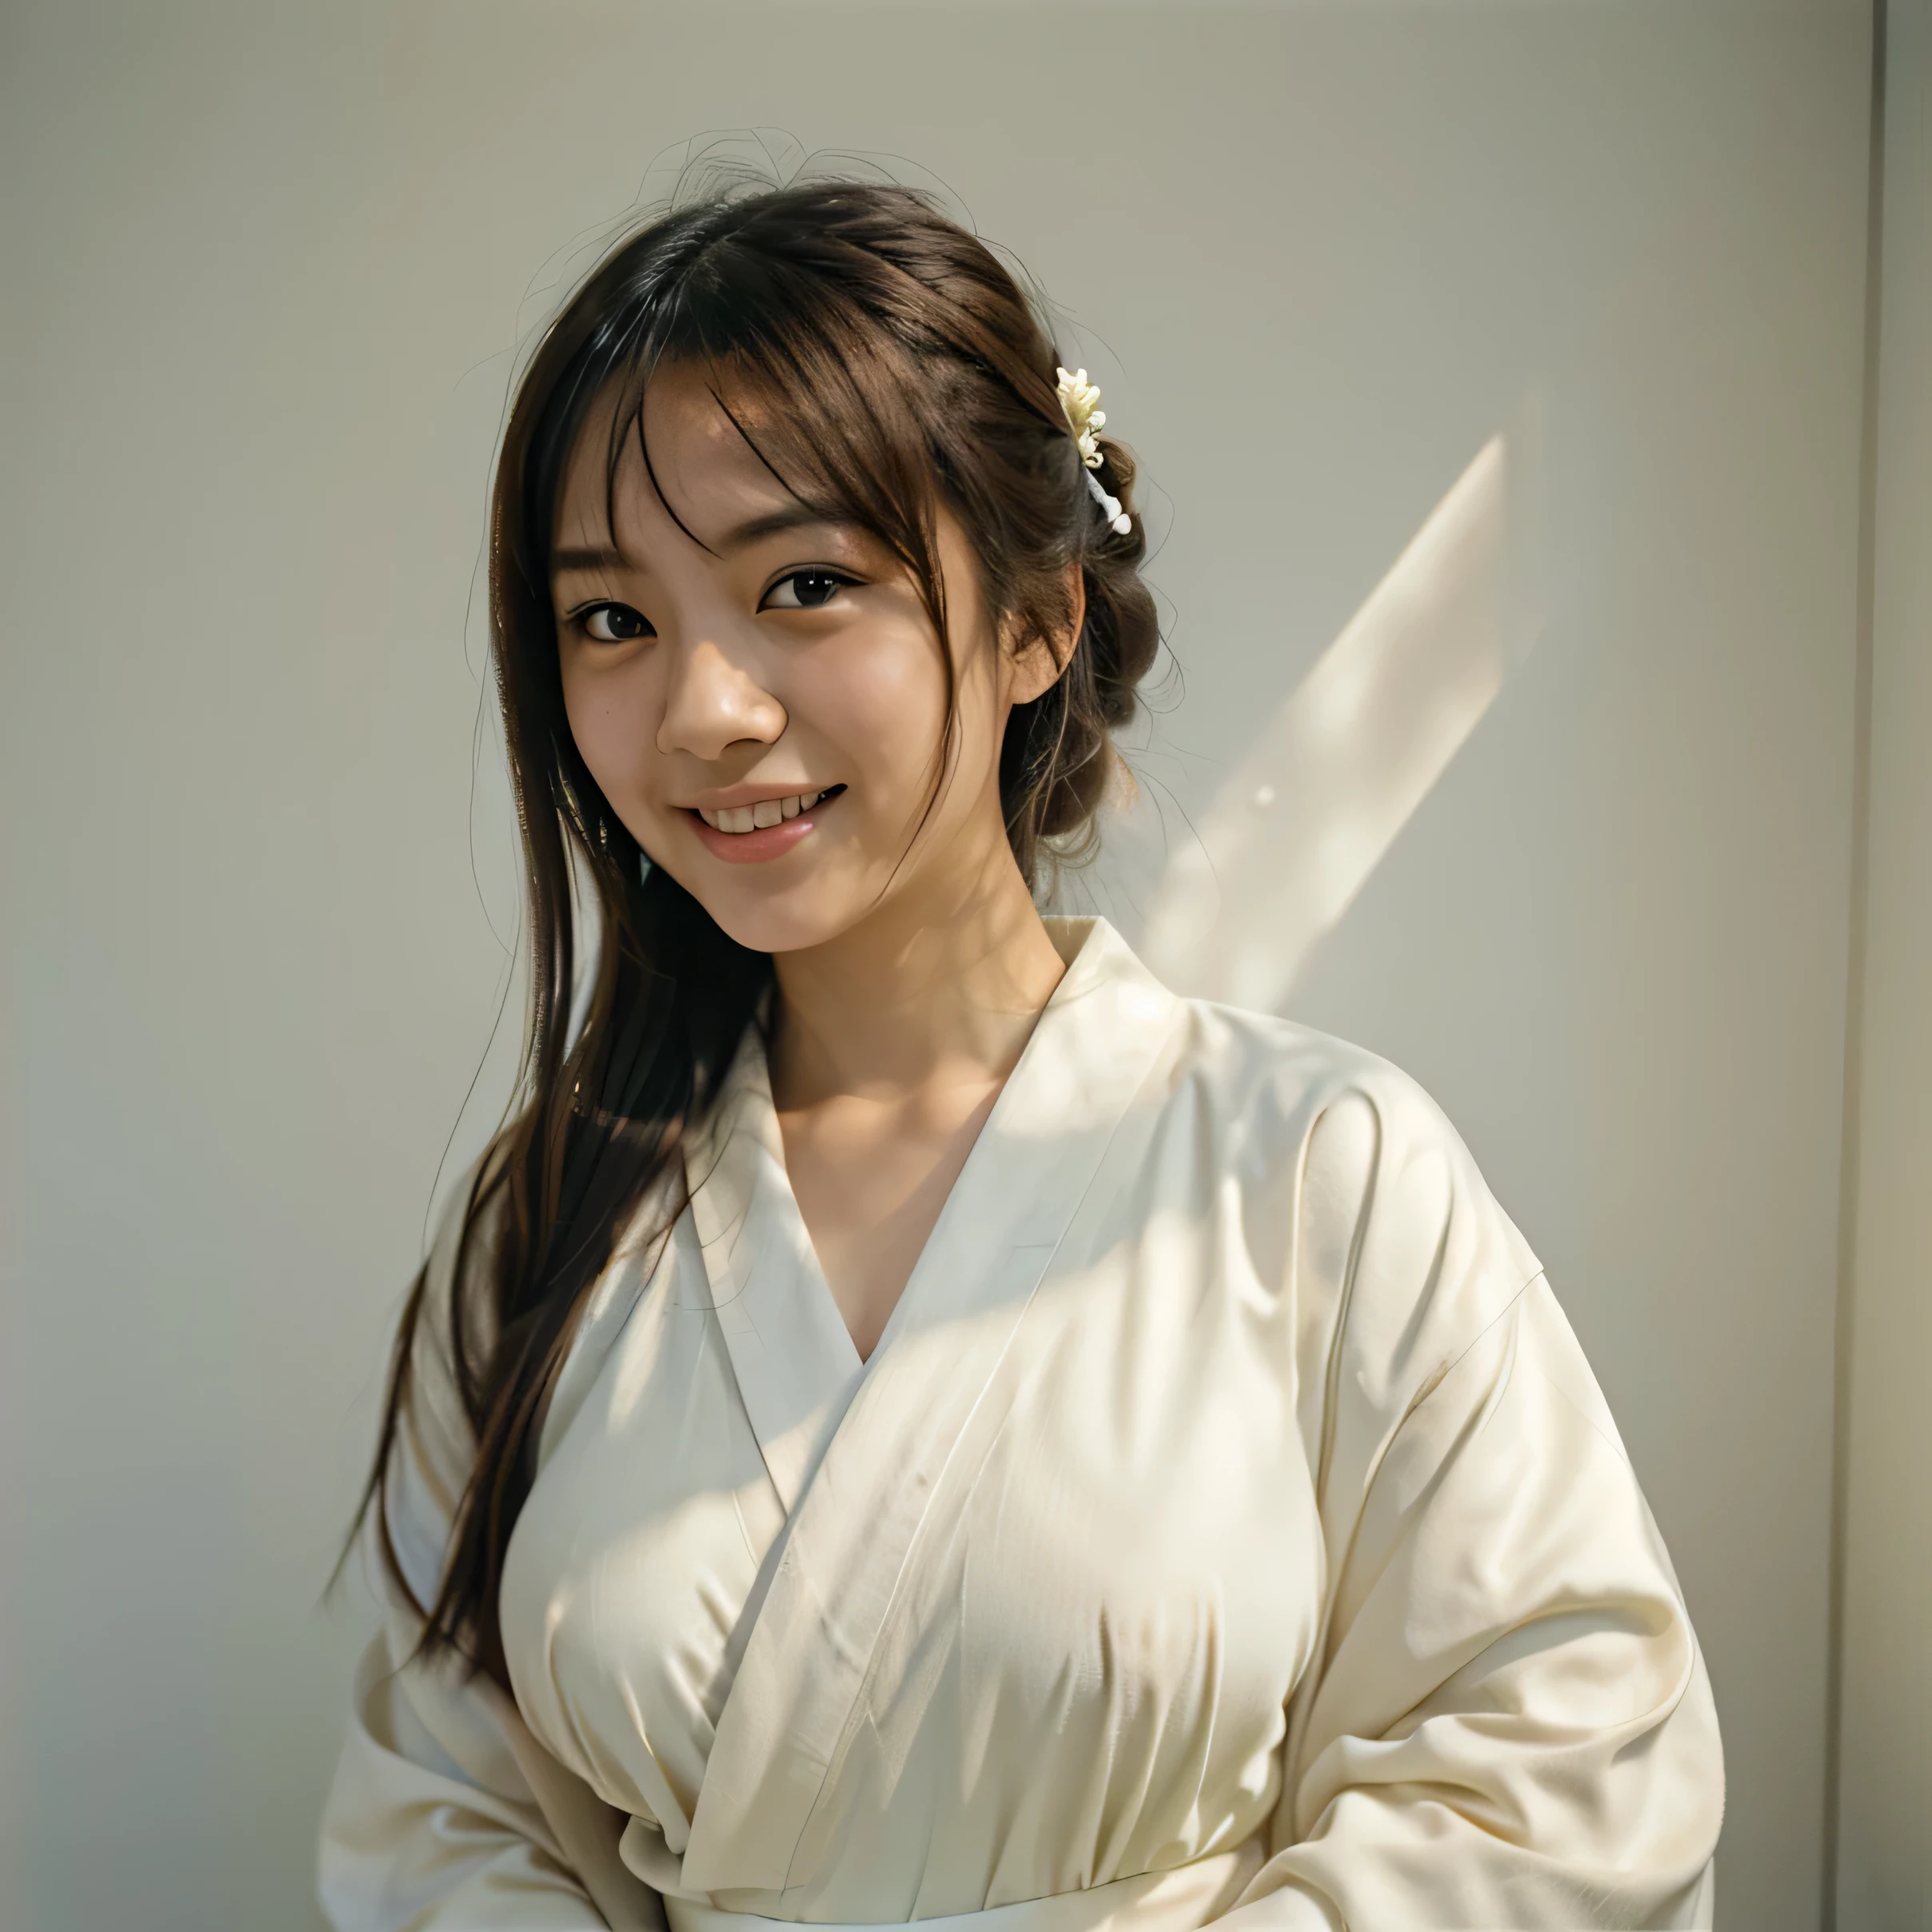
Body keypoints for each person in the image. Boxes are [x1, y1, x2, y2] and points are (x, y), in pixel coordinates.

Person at [318, 177, 1723, 1932]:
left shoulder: (1315, 1169)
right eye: (612, 618)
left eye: (805, 582)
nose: (700, 708)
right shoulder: (553, 1212)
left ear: (1034, 620)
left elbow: (1561, 1772)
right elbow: (443, 1816)